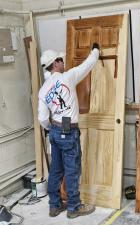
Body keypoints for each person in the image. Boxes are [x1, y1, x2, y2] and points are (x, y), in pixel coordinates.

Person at [38, 43, 100, 219]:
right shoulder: (67, 77)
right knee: (72, 170)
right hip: (68, 131)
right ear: (56, 62)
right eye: (61, 60)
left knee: (56, 170)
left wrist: (52, 128)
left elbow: (42, 118)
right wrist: (96, 50)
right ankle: (73, 207)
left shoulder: (43, 90)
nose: (63, 62)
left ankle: (54, 205)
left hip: (55, 131)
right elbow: (88, 64)